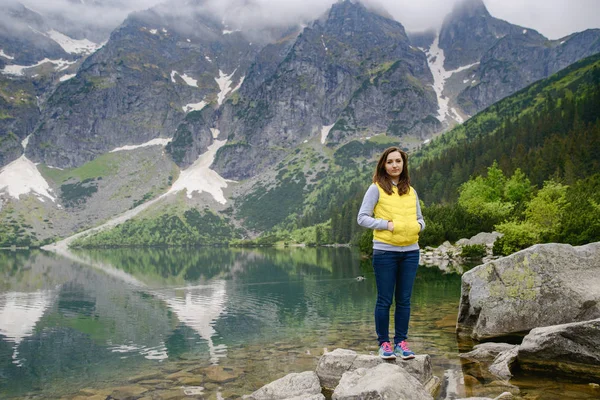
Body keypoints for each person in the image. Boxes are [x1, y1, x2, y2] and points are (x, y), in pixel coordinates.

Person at [357, 146, 425, 360]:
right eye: (390, 162)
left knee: (404, 300)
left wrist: (418, 227)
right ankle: (384, 343)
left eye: (398, 161)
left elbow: (420, 218)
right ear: (383, 165)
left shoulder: (411, 190)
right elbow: (362, 217)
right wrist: (386, 224)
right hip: (385, 252)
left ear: (403, 164)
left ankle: (401, 343)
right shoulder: (376, 188)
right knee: (385, 300)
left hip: (411, 252)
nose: (395, 165)